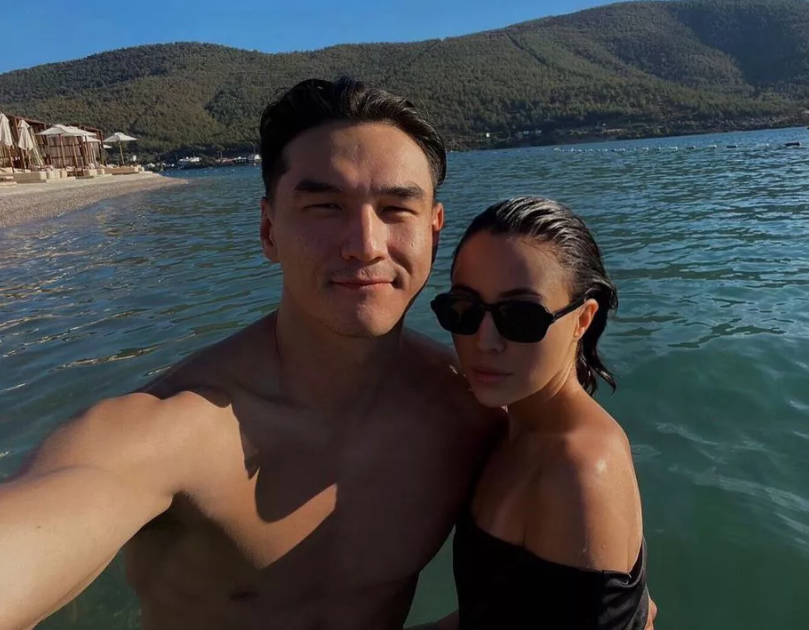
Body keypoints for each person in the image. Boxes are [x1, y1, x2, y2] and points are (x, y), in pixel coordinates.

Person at [0, 78, 503, 630]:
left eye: (395, 208)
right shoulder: (173, 432)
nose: (365, 244)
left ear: (434, 231)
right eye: (325, 206)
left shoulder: (469, 412)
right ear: (268, 231)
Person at [429, 197, 654, 629]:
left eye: (521, 316)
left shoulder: (580, 469)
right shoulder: (511, 426)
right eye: (464, 310)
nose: (484, 341)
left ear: (583, 319)